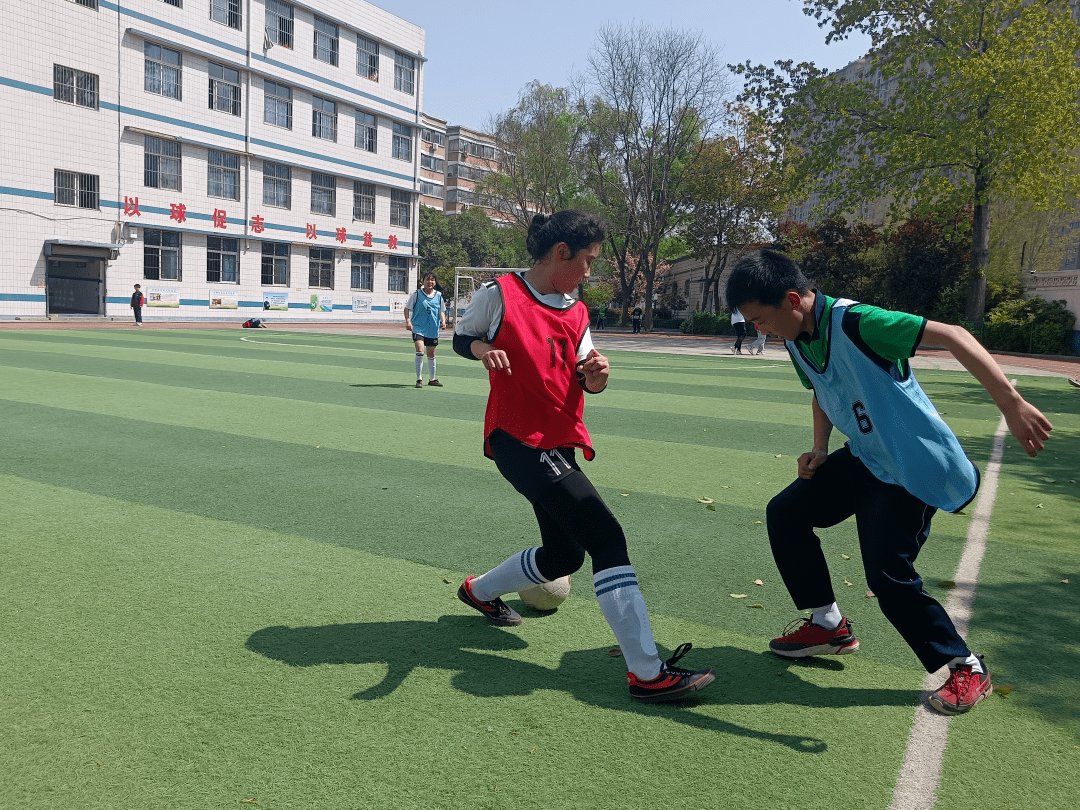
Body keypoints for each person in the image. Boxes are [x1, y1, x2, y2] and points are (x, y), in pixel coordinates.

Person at [725, 248, 1053, 715]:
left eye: (759, 319)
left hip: (912, 469)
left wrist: (1011, 403)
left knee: (888, 577)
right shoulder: (796, 337)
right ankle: (828, 625)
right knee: (786, 513)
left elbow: (955, 335)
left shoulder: (859, 323)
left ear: (792, 299)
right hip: (866, 458)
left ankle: (965, 666)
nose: (757, 329)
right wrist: (820, 448)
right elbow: (823, 389)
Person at [452, 209, 715, 704]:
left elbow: (583, 374)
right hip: (520, 439)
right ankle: (647, 672)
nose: (591, 271)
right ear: (560, 254)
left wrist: (597, 375)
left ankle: (478, 591)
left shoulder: (577, 310)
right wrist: (484, 348)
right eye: (588, 261)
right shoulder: (500, 294)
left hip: (556, 438)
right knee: (606, 535)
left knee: (564, 555)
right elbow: (462, 338)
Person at [404, 272, 447, 388]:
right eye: (427, 280)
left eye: (432, 280)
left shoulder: (438, 295)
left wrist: (443, 321)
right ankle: (419, 379)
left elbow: (441, 311)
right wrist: (408, 321)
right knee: (420, 350)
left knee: (431, 354)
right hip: (418, 328)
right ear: (423, 282)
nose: (430, 282)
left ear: (435, 282)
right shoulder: (417, 294)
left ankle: (432, 379)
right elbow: (407, 308)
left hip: (432, 330)